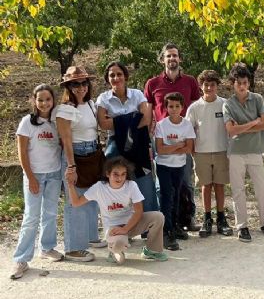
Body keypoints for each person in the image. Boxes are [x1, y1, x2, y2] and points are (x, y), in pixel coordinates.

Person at [66, 157, 168, 264]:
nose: (120, 178)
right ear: (107, 174)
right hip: (113, 229)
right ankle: (113, 251)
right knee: (119, 251)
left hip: (131, 224)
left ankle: (152, 251)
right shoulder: (99, 188)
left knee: (158, 217)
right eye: (116, 174)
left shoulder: (131, 185)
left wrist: (125, 229)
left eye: (123, 174)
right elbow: (76, 203)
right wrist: (70, 184)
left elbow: (138, 211)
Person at [144, 43, 201, 233]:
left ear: (180, 59)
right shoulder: (152, 84)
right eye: (168, 56)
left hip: (184, 137)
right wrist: (148, 136)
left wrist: (192, 137)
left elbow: (195, 108)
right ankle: (165, 223)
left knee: (186, 182)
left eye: (175, 55)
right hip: (161, 138)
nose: (172, 59)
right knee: (164, 186)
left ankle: (187, 218)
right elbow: (149, 112)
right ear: (163, 60)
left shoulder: (191, 82)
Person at [11, 85, 63, 280]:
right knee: (31, 217)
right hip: (35, 176)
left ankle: (47, 247)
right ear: (34, 101)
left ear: (53, 100)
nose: (44, 103)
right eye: (40, 100)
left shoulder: (57, 122)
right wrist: (31, 177)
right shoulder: (27, 123)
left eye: (48, 99)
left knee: (50, 213)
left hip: (54, 174)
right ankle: (21, 259)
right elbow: (22, 153)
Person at [223, 63, 264, 242]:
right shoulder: (228, 105)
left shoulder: (257, 99)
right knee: (238, 190)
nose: (242, 86)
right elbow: (230, 131)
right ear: (232, 84)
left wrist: (243, 126)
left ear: (249, 83)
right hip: (236, 153)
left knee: (261, 188)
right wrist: (252, 123)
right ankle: (242, 226)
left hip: (255, 150)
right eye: (238, 82)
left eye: (245, 82)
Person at [55, 66, 102, 262]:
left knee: (92, 198)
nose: (81, 87)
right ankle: (74, 247)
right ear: (68, 86)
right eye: (75, 83)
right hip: (76, 155)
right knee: (75, 202)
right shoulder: (65, 110)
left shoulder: (91, 104)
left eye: (84, 83)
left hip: (93, 154)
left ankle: (91, 236)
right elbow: (66, 140)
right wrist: (71, 167)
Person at [96, 61, 156, 213]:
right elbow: (103, 123)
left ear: (125, 76)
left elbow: (146, 119)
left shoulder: (137, 94)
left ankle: (150, 227)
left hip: (139, 143)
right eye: (112, 75)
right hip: (116, 143)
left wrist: (116, 121)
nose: (116, 78)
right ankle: (122, 226)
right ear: (107, 79)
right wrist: (133, 117)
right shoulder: (103, 98)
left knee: (145, 184)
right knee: (116, 182)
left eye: (119, 74)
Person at [185, 70, 233, 238]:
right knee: (206, 186)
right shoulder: (194, 107)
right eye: (206, 84)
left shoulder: (225, 104)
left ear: (217, 86)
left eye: (212, 84)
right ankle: (207, 219)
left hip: (221, 150)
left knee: (219, 185)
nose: (209, 87)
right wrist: (193, 152)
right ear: (201, 86)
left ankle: (221, 218)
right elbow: (189, 131)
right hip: (201, 153)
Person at [154, 92, 196, 251]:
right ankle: (166, 230)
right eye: (170, 106)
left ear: (182, 107)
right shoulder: (161, 125)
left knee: (177, 194)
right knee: (166, 196)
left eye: (177, 106)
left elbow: (189, 148)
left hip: (179, 166)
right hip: (164, 166)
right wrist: (178, 145)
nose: (174, 109)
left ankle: (175, 225)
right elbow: (160, 150)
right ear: (166, 107)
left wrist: (171, 147)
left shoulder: (186, 125)